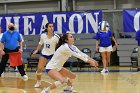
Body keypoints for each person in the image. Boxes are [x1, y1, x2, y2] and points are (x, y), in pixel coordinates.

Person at [32, 22, 60, 88]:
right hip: (44, 54)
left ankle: (59, 81)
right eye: (50, 26)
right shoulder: (43, 35)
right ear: (47, 28)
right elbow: (40, 43)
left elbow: (60, 46)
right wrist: (37, 50)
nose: (51, 28)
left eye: (52, 26)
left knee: (56, 69)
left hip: (53, 55)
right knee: (39, 68)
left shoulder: (56, 37)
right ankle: (38, 82)